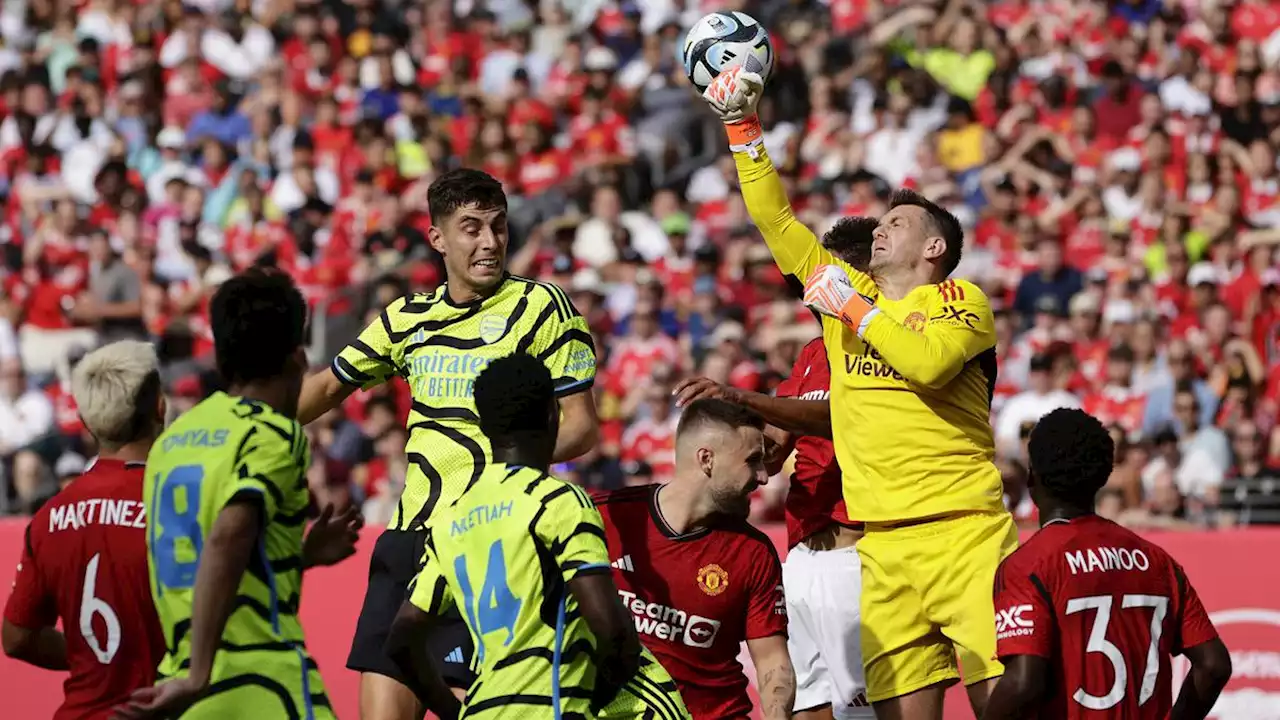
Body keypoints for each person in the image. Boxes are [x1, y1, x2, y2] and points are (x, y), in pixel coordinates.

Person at [703, 68, 1016, 719]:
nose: (879, 228)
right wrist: (742, 127)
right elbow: (776, 219)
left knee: (1008, 710)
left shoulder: (959, 300)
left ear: (933, 247)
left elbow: (927, 366)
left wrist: (854, 311)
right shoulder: (849, 299)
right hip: (882, 548)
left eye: (896, 222)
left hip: (966, 535)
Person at [295, 168, 600, 720]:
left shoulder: (543, 307)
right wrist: (246, 420)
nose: (490, 242)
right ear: (437, 238)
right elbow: (325, 387)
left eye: (498, 226)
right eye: (471, 228)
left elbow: (581, 427)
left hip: (495, 545)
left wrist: (498, 469)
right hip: (410, 540)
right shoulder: (409, 317)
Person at [385, 353, 688, 720]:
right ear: (552, 415)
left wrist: (453, 712)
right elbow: (610, 628)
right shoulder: (558, 502)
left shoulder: (451, 519)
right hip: (551, 708)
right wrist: (598, 694)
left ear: (483, 424)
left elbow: (402, 638)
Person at [116, 269, 362, 719]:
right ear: (299, 359)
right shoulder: (273, 434)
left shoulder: (173, 440)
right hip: (262, 682)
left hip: (180, 686)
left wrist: (299, 556)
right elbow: (228, 536)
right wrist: (201, 674)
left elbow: (200, 554)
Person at [672, 218, 877, 719]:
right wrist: (720, 440)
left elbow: (839, 419)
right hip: (801, 554)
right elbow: (775, 447)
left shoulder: (879, 349)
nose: (807, 288)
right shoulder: (812, 354)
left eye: (818, 272)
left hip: (856, 553)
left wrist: (743, 396)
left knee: (861, 709)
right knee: (807, 703)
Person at [984, 408, 1233, 719]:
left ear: (1033, 476)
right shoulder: (1158, 561)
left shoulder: (1028, 566)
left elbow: (1022, 683)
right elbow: (1214, 664)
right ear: (1102, 475)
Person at [593, 398, 795, 720]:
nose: (763, 477)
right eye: (752, 460)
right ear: (707, 459)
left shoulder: (753, 551)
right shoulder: (604, 517)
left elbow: (773, 662)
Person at [2, 341, 167, 719]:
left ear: (88, 423)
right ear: (160, 406)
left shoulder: (50, 515)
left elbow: (16, 638)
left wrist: (91, 653)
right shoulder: (178, 502)